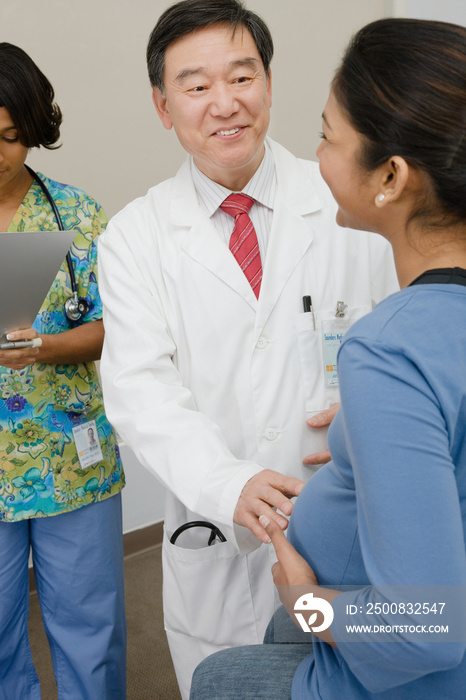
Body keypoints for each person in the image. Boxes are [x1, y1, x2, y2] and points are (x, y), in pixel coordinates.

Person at [97, 1, 397, 696]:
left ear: (268, 81)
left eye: (243, 76)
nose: (226, 104)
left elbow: (402, 339)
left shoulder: (349, 201)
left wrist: (364, 422)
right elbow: (141, 395)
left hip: (346, 511)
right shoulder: (136, 238)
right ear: (163, 105)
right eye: (197, 87)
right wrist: (230, 484)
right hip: (217, 536)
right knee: (228, 679)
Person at [189, 17, 466, 700]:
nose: (316, 155)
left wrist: (305, 600)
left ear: (392, 176)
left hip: (397, 672)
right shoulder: (425, 341)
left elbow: (430, 625)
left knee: (215, 678)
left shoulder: (392, 347)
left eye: (327, 135)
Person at [0, 43, 126, 699]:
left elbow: (118, 328)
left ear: (33, 129)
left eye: (10, 136)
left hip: (70, 458)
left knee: (88, 625)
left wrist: (45, 348)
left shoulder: (78, 217)